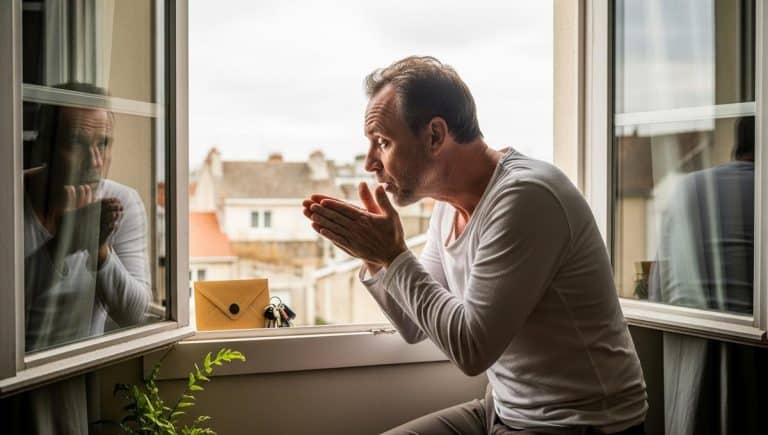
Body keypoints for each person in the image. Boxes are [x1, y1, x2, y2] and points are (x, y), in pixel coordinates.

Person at [303, 56, 647, 434]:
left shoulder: (526, 196)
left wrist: (393, 256)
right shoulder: (447, 208)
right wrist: (375, 258)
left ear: (435, 135)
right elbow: (414, 326)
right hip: (501, 410)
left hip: (580, 424)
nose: (370, 162)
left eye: (382, 142)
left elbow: (472, 350)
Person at [24, 82, 151, 352]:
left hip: (80, 373)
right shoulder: (9, 199)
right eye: (77, 144)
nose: (95, 160)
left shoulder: (123, 203)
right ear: (45, 146)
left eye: (103, 144)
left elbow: (135, 314)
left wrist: (99, 248)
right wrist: (63, 245)